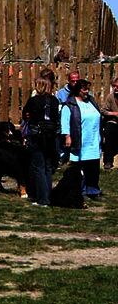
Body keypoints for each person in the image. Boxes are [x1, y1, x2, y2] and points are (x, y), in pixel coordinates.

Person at [22, 77, 60, 207]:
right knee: (48, 167)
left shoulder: (34, 101)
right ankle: (48, 196)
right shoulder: (54, 101)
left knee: (39, 167)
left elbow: (25, 114)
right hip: (50, 136)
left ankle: (42, 198)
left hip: (37, 135)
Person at [60, 79, 102, 198]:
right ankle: (80, 189)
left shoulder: (91, 101)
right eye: (84, 89)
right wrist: (67, 136)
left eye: (88, 89)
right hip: (80, 140)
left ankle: (92, 189)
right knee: (80, 166)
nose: (87, 92)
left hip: (93, 139)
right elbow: (65, 122)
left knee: (93, 166)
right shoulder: (70, 105)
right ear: (78, 90)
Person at [101, 75, 118, 170]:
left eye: (117, 86)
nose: (115, 88)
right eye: (114, 86)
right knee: (109, 131)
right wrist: (114, 113)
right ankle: (108, 161)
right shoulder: (110, 97)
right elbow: (103, 111)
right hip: (114, 121)